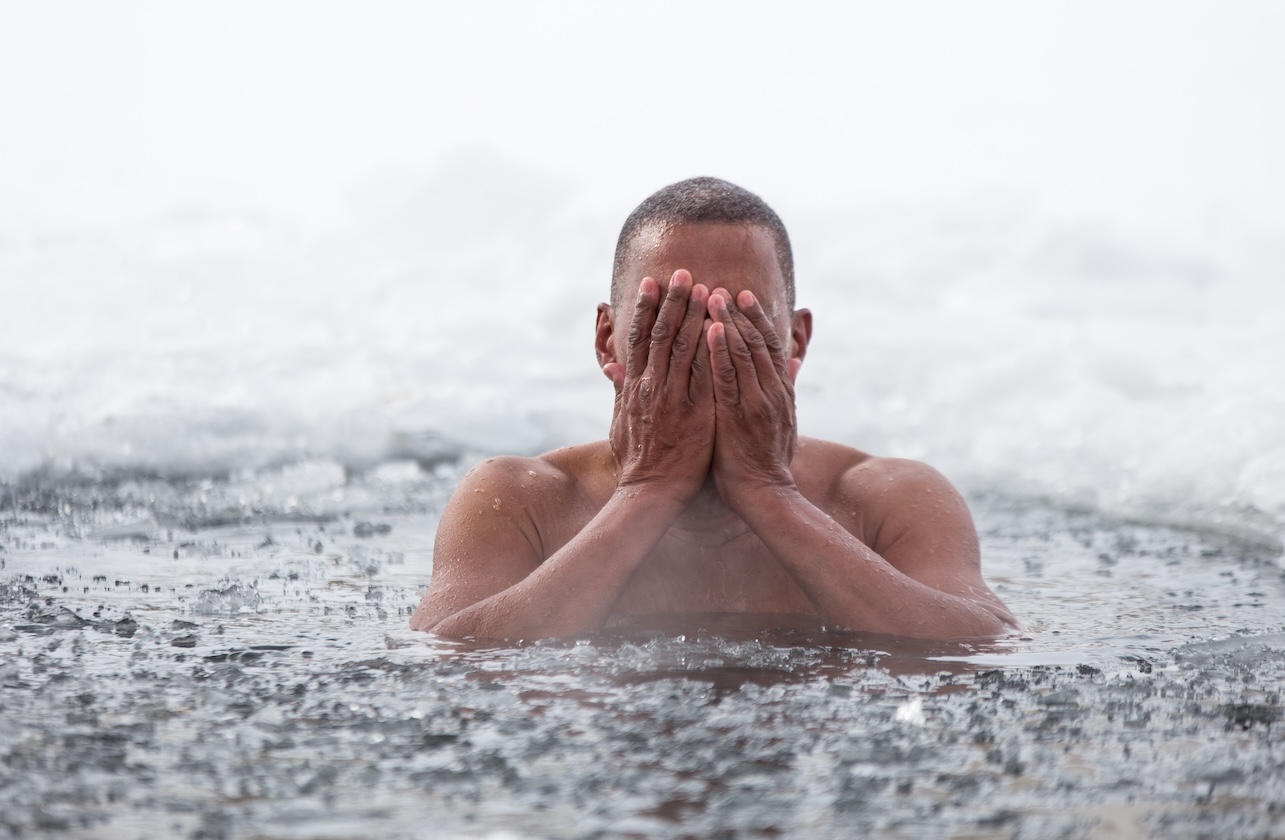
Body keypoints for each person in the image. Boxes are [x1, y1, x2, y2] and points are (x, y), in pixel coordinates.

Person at [410, 177, 1017, 641]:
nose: (705, 344)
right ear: (606, 338)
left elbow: (988, 646)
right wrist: (648, 488)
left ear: (795, 342)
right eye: (670, 319)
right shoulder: (521, 497)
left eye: (740, 318)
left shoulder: (887, 497)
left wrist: (770, 492)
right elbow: (444, 659)